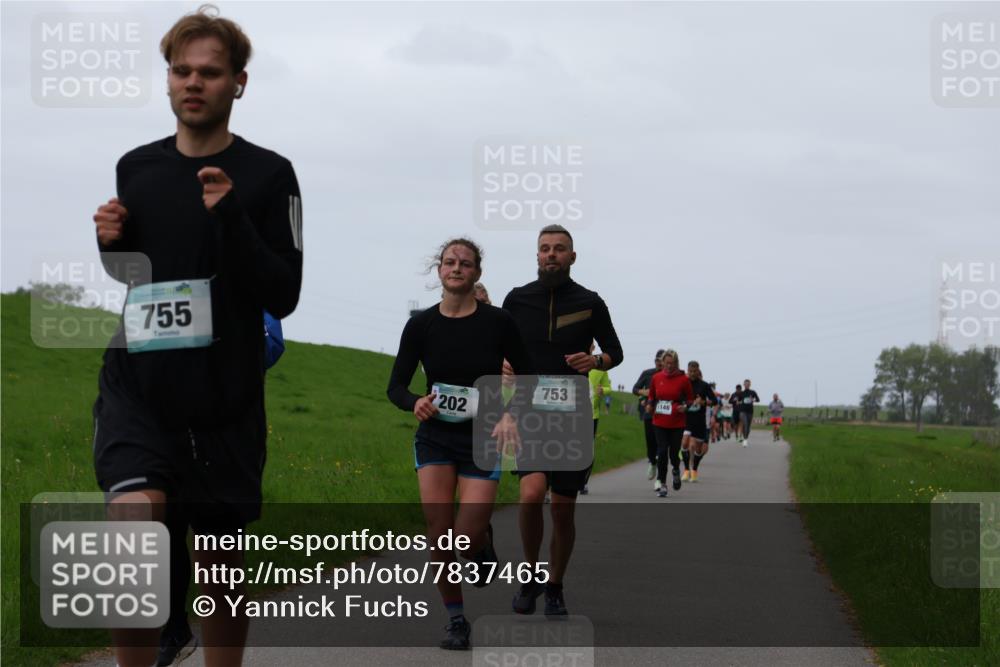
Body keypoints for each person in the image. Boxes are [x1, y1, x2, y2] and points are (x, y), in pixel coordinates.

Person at [91, 7, 302, 666]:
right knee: (132, 523)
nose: (193, 83)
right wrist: (110, 246)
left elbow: (283, 293)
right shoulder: (136, 167)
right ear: (168, 80)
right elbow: (140, 277)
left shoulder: (270, 175)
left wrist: (233, 216)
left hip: (223, 396)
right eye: (181, 70)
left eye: (209, 73)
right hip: (139, 386)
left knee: (217, 554)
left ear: (238, 83)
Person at [387, 238, 533, 650]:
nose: (456, 268)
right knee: (439, 534)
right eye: (449, 262)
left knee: (464, 537)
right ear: (440, 271)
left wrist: (509, 413)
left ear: (476, 273)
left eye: (465, 264)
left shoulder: (498, 322)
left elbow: (528, 375)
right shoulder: (421, 325)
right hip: (435, 438)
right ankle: (456, 620)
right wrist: (415, 401)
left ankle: (482, 543)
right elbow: (395, 385)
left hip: (482, 438)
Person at [502, 224, 623, 617]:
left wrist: (596, 361)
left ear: (572, 257)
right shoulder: (517, 299)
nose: (551, 254)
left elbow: (615, 351)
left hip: (572, 416)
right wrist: (500, 364)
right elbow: (497, 344)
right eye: (545, 248)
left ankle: (554, 585)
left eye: (559, 249)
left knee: (562, 509)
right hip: (529, 411)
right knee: (532, 493)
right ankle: (530, 574)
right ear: (536, 256)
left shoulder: (590, 302)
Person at [159, 310, 285, 665]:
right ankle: (173, 628)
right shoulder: (168, 273)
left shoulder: (251, 275)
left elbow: (271, 346)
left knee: (218, 556)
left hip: (226, 433)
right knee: (162, 525)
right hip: (166, 421)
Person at [646, 350, 693, 497]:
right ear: (662, 363)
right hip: (659, 420)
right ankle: (663, 483)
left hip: (677, 422)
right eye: (666, 363)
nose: (669, 366)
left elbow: (690, 399)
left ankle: (676, 470)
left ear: (676, 363)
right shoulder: (656, 377)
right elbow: (651, 396)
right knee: (661, 452)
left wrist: (685, 407)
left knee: (673, 454)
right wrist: (649, 405)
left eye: (672, 363)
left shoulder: (683, 379)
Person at [680, 362, 717, 483]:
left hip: (700, 420)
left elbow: (714, 401)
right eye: (690, 371)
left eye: (694, 371)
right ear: (687, 371)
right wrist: (683, 405)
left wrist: (704, 403)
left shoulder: (704, 385)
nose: (692, 373)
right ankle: (686, 470)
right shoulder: (683, 383)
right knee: (685, 443)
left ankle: (694, 470)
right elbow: (677, 397)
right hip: (687, 419)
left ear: (698, 371)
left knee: (698, 449)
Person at [584, 343, 612, 495]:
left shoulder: (600, 365)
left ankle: (584, 482)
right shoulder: (573, 359)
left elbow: (608, 387)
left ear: (592, 347)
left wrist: (603, 390)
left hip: (592, 414)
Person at [632, 351, 665, 480]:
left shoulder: (669, 376)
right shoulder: (647, 373)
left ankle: (660, 472)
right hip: (649, 412)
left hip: (663, 413)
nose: (659, 362)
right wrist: (643, 391)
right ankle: (652, 462)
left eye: (661, 360)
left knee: (661, 442)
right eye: (657, 360)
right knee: (650, 441)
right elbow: (635, 389)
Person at [738, 379, 761, 446]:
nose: (747, 385)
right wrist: (739, 402)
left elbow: (758, 400)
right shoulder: (741, 393)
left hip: (750, 411)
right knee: (745, 424)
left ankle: (745, 438)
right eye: (745, 384)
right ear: (744, 385)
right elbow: (738, 401)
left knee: (748, 427)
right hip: (742, 411)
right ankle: (744, 440)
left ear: (750, 385)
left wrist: (753, 399)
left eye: (748, 384)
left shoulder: (753, 392)